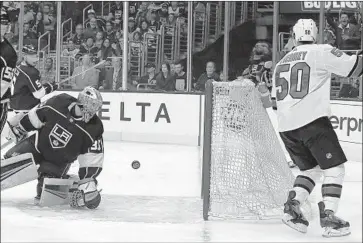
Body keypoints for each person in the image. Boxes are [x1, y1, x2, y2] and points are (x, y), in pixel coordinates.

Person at [265, 19, 362, 237]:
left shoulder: (282, 62)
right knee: (335, 169)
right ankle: (329, 217)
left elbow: (274, 102)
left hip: (286, 126)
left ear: (295, 36)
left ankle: (292, 206)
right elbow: (356, 69)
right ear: (315, 34)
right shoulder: (321, 51)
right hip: (312, 122)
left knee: (310, 170)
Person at [2, 87, 104, 209]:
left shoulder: (94, 127)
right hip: (36, 146)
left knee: (45, 192)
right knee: (9, 162)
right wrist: (21, 127)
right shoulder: (59, 102)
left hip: (58, 162)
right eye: (89, 108)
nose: (91, 113)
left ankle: (73, 184)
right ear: (80, 102)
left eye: (94, 109)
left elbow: (93, 156)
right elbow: (37, 115)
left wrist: (88, 180)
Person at [8, 44, 58, 142]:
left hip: (16, 104)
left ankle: (15, 129)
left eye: (36, 56)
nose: (36, 59)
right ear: (24, 56)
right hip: (28, 108)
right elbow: (38, 94)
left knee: (22, 138)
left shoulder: (17, 65)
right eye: (32, 56)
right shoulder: (31, 72)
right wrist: (51, 87)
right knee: (37, 137)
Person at [0, 6, 18, 134]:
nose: (5, 26)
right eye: (2, 23)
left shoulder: (8, 53)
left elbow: (3, 85)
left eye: (6, 23)